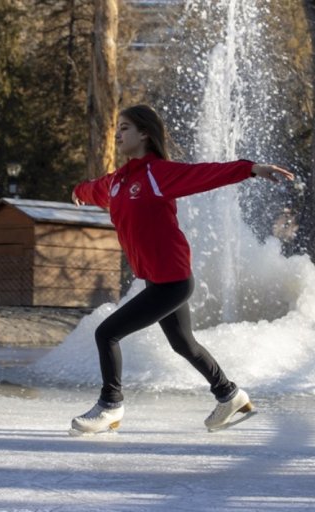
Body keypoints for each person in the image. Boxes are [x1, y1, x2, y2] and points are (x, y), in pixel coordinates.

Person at [70, 104, 294, 434]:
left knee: (107, 333)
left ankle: (110, 406)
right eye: (118, 128)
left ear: (144, 134)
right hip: (157, 281)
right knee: (183, 344)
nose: (118, 134)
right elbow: (96, 188)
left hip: (172, 282)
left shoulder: (158, 174)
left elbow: (205, 174)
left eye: (125, 128)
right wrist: (79, 192)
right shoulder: (119, 181)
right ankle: (229, 395)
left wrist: (250, 169)